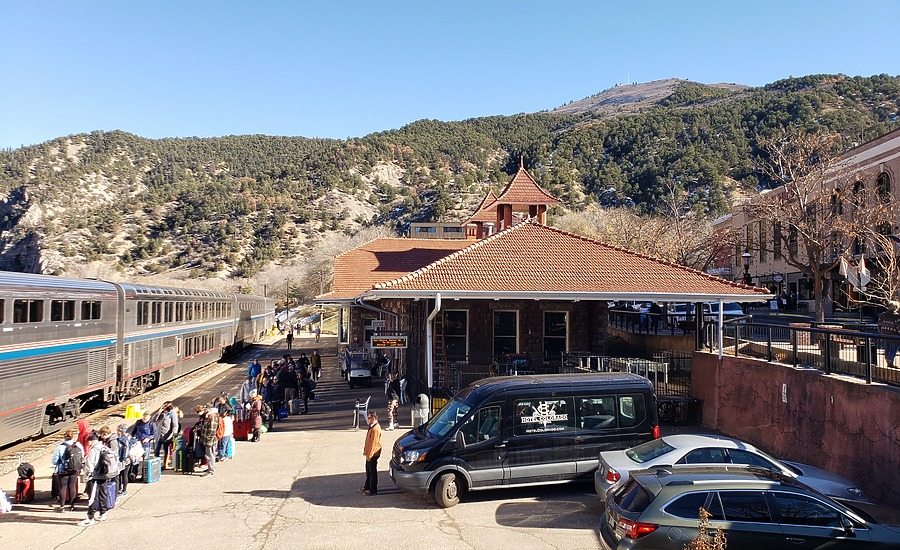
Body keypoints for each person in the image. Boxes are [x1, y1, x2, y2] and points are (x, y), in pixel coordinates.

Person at [78, 434, 109, 527]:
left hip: (94, 477)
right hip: (104, 475)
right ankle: (102, 514)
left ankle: (90, 518)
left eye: (88, 442)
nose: (88, 444)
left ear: (91, 441)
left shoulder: (93, 450)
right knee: (103, 494)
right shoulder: (104, 447)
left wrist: (87, 477)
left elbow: (89, 465)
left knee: (92, 497)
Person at [50, 429, 82, 512]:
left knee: (62, 488)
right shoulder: (78, 445)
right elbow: (81, 456)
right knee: (72, 486)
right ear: (72, 437)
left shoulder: (60, 447)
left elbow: (54, 461)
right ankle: (72, 505)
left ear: (64, 437)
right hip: (75, 469)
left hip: (63, 470)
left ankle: (62, 507)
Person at [361, 411, 382, 496]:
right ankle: (367, 486)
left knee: (372, 471)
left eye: (369, 418)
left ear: (374, 419)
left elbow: (374, 443)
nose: (368, 419)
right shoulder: (371, 427)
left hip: (373, 453)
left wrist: (370, 454)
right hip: (369, 452)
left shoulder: (375, 429)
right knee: (368, 470)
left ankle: (373, 489)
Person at [153, 401, 178, 469]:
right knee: (156, 449)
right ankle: (156, 464)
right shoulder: (161, 413)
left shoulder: (172, 414)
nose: (163, 407)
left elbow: (175, 425)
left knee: (166, 450)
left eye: (164, 406)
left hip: (167, 436)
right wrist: (158, 412)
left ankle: (165, 464)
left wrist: (173, 434)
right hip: (159, 435)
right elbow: (154, 420)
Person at [196, 406, 219, 476]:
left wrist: (208, 439)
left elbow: (212, 430)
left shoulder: (213, 417)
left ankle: (211, 470)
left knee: (210, 455)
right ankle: (210, 468)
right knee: (208, 455)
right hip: (206, 440)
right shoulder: (209, 417)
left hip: (210, 441)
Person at [879, 300, 900, 368]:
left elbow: (879, 324)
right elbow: (898, 327)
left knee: (887, 348)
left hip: (884, 334)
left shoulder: (883, 315)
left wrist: (881, 331)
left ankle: (888, 361)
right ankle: (890, 361)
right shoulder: (896, 316)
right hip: (894, 335)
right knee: (893, 349)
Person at [114, 424, 131, 496]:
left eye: (118, 430)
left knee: (122, 475)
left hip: (123, 460)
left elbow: (124, 450)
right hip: (128, 459)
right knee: (124, 475)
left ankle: (122, 489)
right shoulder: (128, 437)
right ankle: (123, 489)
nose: (116, 431)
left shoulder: (122, 439)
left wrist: (121, 459)